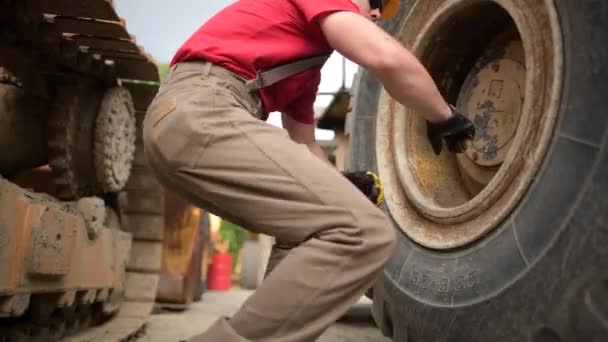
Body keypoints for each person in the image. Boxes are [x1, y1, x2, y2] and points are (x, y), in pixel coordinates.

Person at [142, 0, 475, 341]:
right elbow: (386, 58)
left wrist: (340, 184)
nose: (376, 15)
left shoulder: (303, 70)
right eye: (376, 2)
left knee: (307, 228)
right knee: (364, 232)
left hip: (184, 120)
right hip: (202, 109)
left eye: (383, 12)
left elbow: (304, 145)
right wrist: (444, 118)